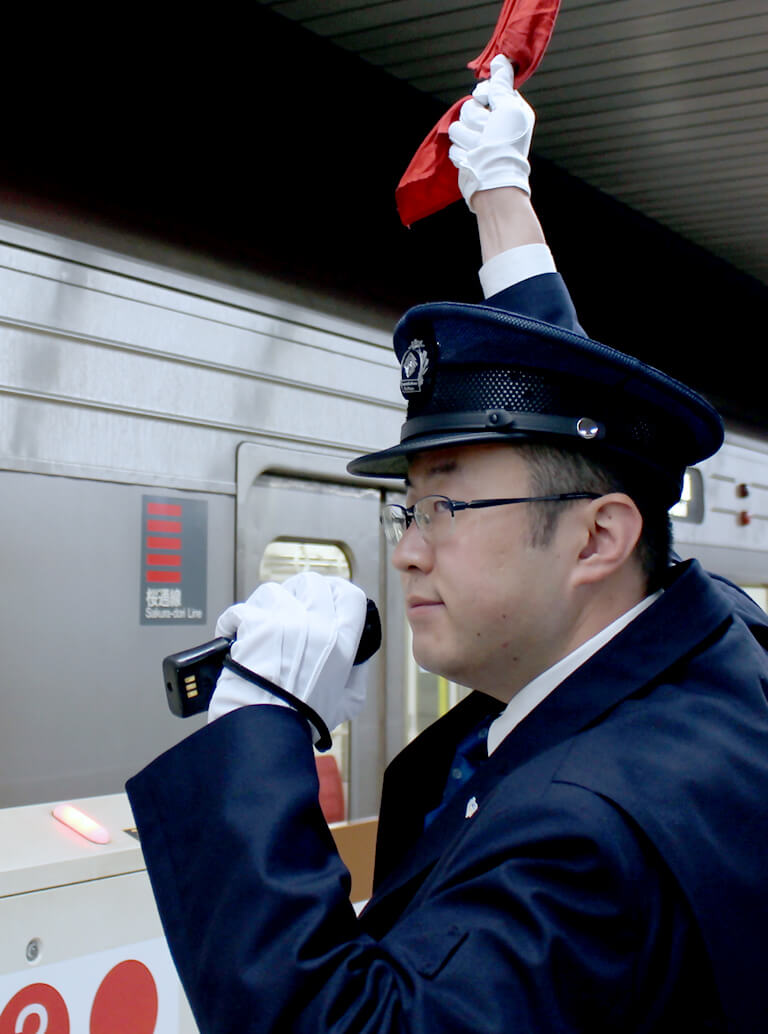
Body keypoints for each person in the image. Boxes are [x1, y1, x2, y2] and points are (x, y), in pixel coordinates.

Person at [126, 57, 768, 1033]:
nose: (408, 552)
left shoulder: (586, 830)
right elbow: (576, 428)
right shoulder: (709, 634)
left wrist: (257, 721)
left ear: (601, 538)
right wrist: (503, 202)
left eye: (444, 509)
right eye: (406, 509)